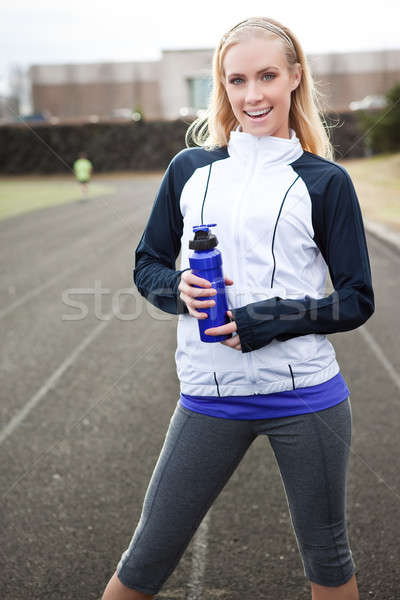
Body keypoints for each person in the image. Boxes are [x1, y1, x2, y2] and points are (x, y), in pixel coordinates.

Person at [101, 16, 374, 600]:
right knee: (146, 558)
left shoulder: (325, 182)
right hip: (210, 397)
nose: (253, 95)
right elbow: (146, 262)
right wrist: (174, 288)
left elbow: (356, 300)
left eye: (268, 76)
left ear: (295, 77)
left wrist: (269, 320)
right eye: (237, 80)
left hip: (308, 398)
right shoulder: (189, 171)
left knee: (329, 559)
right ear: (222, 87)